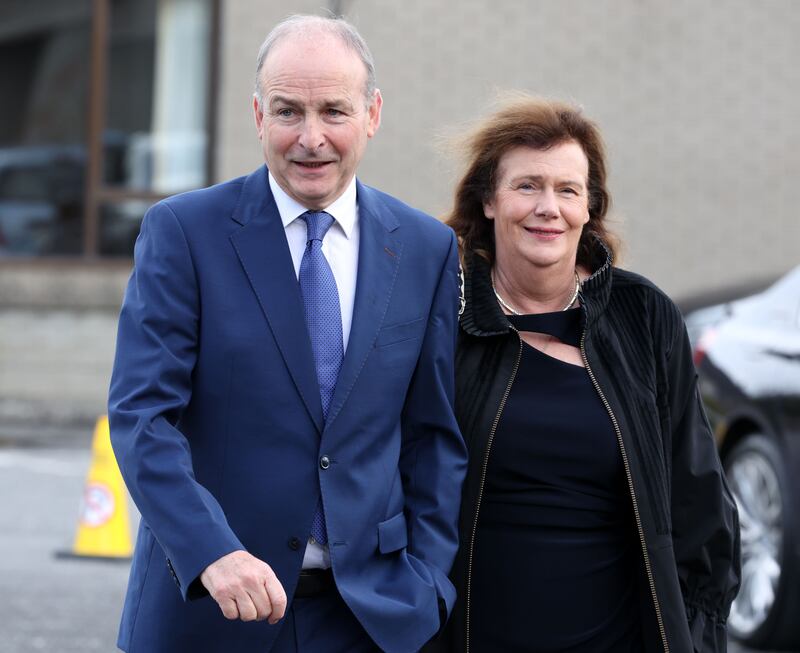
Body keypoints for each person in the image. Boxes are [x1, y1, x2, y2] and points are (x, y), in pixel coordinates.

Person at [108, 14, 466, 653]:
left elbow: (432, 436)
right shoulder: (184, 233)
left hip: (369, 620)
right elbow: (142, 418)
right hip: (210, 612)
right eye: (287, 111)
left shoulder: (425, 248)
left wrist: (427, 582)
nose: (311, 138)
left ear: (372, 113)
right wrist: (210, 551)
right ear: (256, 115)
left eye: (334, 110)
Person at [427, 96, 740, 652]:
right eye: (527, 186)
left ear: (589, 207)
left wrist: (696, 636)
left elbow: (700, 502)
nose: (548, 207)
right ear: (489, 201)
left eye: (567, 190)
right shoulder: (439, 315)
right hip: (473, 634)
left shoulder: (642, 315)